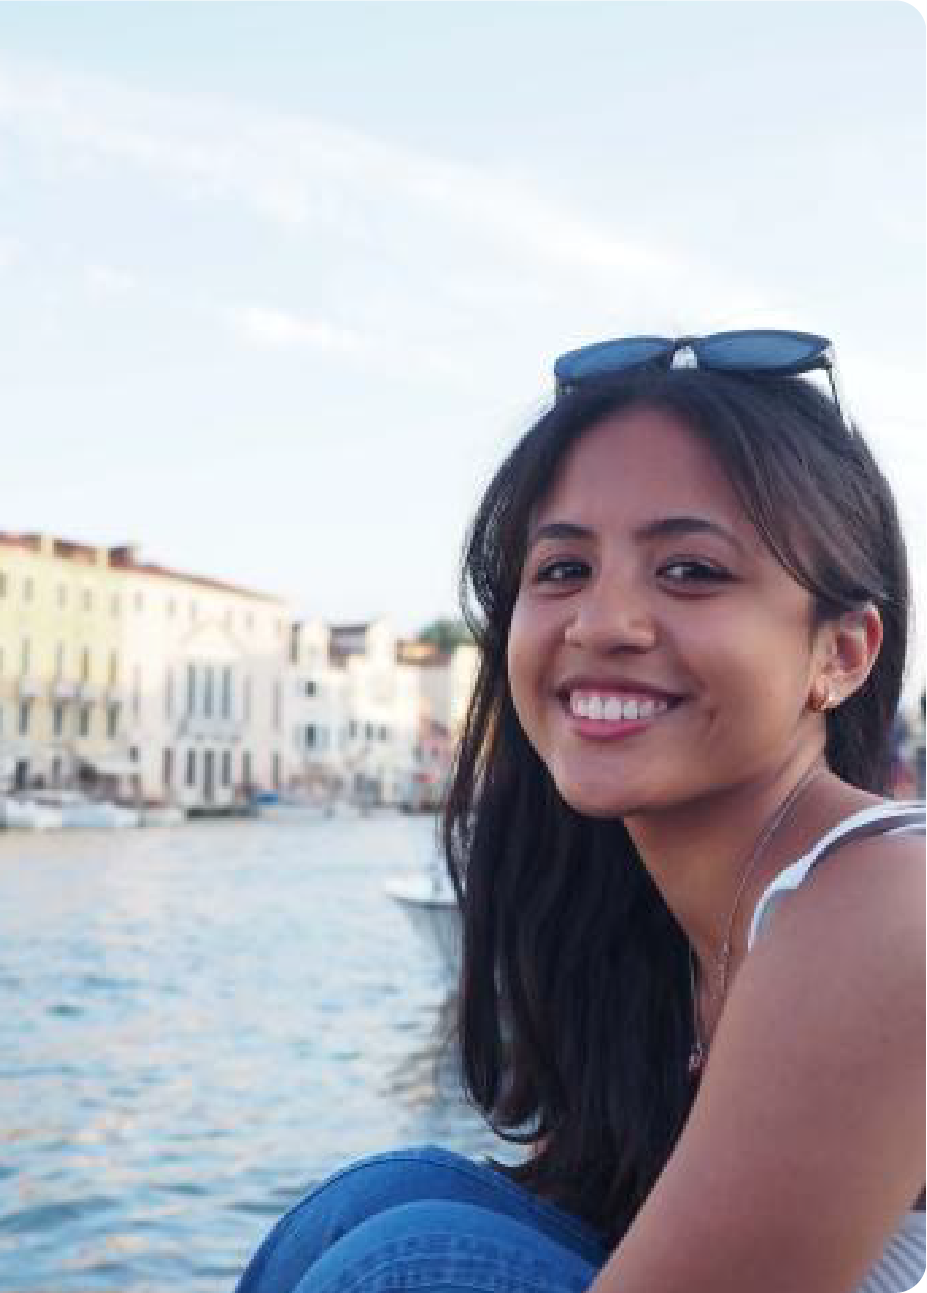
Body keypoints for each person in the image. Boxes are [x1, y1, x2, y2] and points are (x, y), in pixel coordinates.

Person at [236, 332, 925, 1293]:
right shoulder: (667, 924)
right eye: (561, 569)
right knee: (384, 1200)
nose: (601, 623)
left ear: (841, 654)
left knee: (408, 1262)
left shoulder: (883, 907)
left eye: (689, 570)